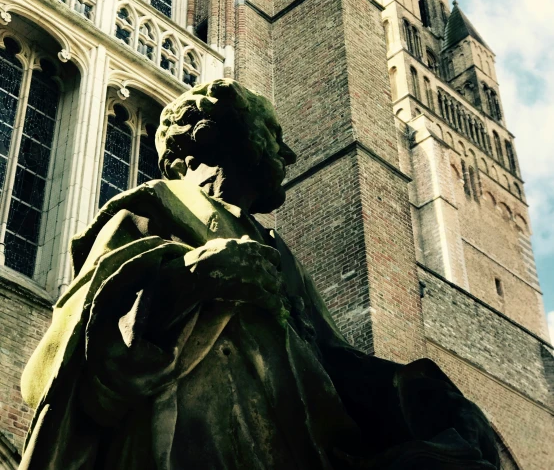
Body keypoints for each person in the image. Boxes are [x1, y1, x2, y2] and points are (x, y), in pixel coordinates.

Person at [21, 79, 500, 469]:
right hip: (177, 443)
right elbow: (74, 360)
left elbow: (335, 363)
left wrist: (424, 396)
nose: (288, 156)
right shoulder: (150, 213)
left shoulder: (278, 254)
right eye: (272, 135)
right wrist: (195, 276)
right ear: (211, 135)